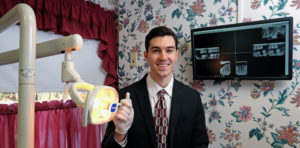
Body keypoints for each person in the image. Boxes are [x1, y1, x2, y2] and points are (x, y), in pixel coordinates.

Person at [102, 26, 209, 148]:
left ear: (176, 55)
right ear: (146, 55)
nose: (163, 57)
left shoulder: (192, 98)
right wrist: (120, 132)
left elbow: (200, 144)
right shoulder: (122, 97)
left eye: (169, 50)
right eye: (156, 50)